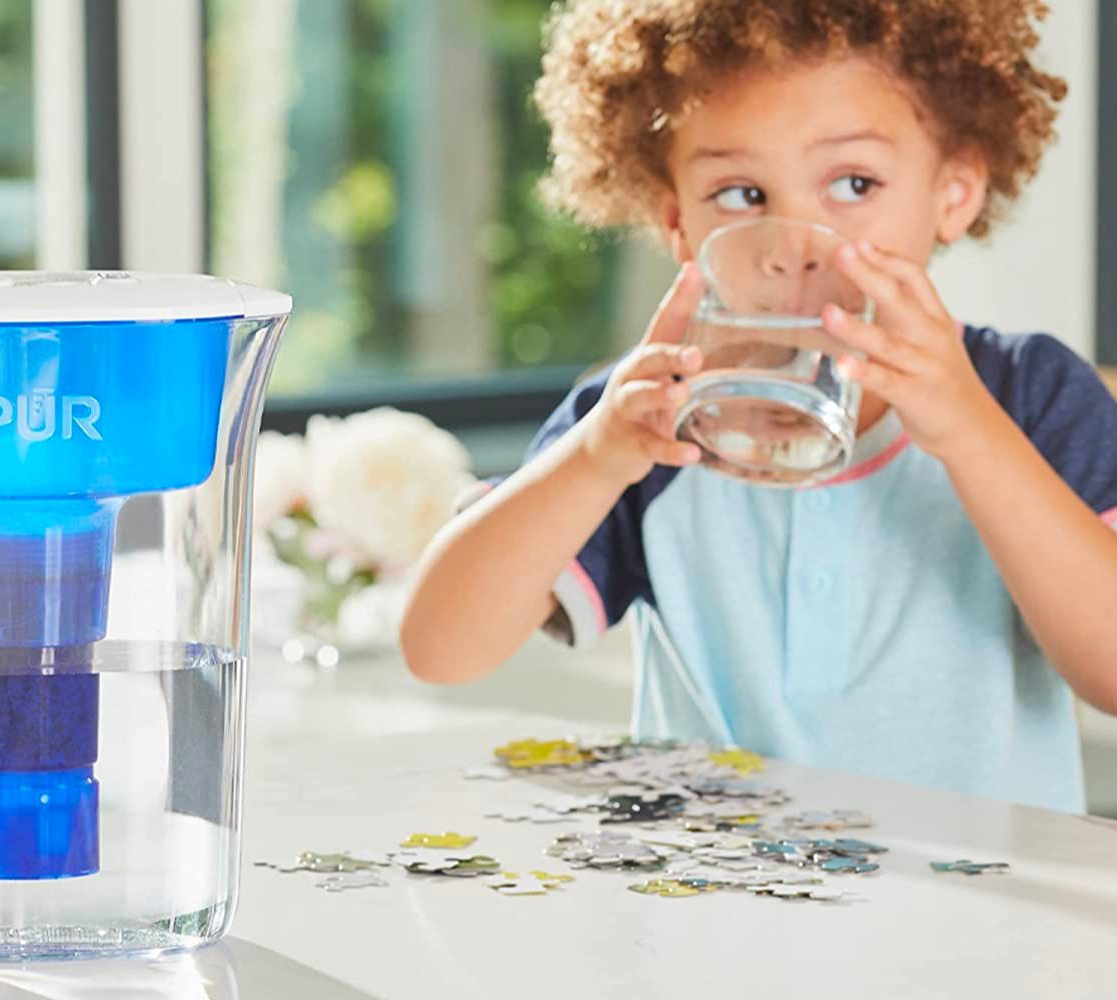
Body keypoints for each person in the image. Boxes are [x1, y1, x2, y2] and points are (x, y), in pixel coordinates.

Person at [399, 0, 1117, 812]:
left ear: (953, 194)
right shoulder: (643, 421)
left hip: (991, 918)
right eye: (741, 193)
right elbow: (439, 649)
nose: (791, 241)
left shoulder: (1029, 395)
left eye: (854, 183)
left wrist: (972, 434)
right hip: (710, 914)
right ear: (678, 222)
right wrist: (593, 460)